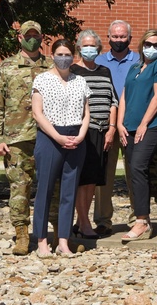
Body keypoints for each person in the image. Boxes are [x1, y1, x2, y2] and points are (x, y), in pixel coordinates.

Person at [0, 20, 53, 255]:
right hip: (17, 138)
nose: (32, 38)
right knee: (20, 187)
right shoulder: (6, 67)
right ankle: (22, 234)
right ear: (20, 38)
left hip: (49, 136)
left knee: (51, 184)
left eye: (36, 35)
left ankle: (55, 231)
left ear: (42, 38)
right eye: (28, 35)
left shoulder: (53, 66)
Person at [30, 39, 91, 257]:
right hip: (50, 137)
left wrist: (81, 135)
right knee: (44, 190)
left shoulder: (80, 81)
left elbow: (87, 113)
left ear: (73, 56)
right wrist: (57, 137)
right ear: (53, 55)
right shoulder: (42, 80)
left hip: (76, 139)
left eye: (67, 54)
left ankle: (63, 241)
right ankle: (42, 241)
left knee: (69, 191)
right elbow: (38, 113)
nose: (63, 58)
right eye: (60, 54)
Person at [117, 28, 157, 242]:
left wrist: (143, 124)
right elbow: (124, 96)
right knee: (132, 170)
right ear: (141, 45)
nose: (152, 48)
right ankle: (142, 219)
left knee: (139, 166)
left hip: (151, 126)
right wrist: (120, 123)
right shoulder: (134, 67)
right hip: (127, 127)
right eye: (148, 44)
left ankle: (142, 221)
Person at [94, 19, 140, 237]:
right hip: (106, 126)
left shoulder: (140, 61)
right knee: (103, 175)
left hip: (134, 125)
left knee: (135, 174)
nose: (119, 40)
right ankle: (103, 220)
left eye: (123, 37)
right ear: (108, 37)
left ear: (130, 38)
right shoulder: (98, 61)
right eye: (115, 36)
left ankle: (137, 218)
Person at [71, 29, 117, 240]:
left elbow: (113, 100)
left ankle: (82, 221)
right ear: (79, 48)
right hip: (83, 131)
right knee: (82, 180)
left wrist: (112, 127)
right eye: (85, 45)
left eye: (93, 46)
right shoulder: (72, 71)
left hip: (102, 131)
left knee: (92, 181)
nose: (89, 49)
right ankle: (85, 224)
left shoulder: (105, 71)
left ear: (99, 49)